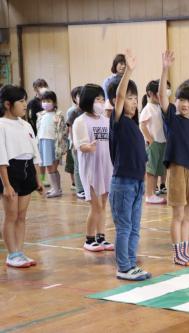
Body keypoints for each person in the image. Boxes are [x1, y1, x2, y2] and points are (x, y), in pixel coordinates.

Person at [160, 51, 189, 266]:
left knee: (188, 216)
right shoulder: (172, 119)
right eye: (181, 100)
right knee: (177, 215)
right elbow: (162, 97)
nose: (185, 104)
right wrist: (165, 69)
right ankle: (177, 254)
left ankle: (185, 252)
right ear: (175, 101)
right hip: (177, 170)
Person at [108, 50, 151, 281]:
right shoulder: (117, 122)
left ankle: (131, 263)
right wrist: (129, 72)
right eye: (129, 98)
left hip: (137, 183)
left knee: (135, 227)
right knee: (124, 228)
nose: (132, 102)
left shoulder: (134, 125)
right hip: (122, 183)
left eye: (136, 98)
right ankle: (123, 267)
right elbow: (120, 94)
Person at [0, 85, 44, 268]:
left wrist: (38, 180)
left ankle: (20, 251)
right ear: (8, 104)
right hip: (10, 171)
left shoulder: (26, 125)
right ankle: (12, 254)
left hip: (27, 170)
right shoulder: (1, 125)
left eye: (26, 100)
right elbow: (1, 156)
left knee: (21, 215)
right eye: (21, 101)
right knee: (11, 215)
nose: (25, 105)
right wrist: (6, 184)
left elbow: (35, 153)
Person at [72, 84, 114, 252]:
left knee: (103, 204)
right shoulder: (80, 121)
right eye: (98, 99)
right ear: (89, 100)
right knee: (95, 205)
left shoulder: (106, 120)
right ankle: (89, 239)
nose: (101, 103)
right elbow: (79, 145)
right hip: (90, 167)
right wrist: (88, 147)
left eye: (103, 100)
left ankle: (101, 237)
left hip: (106, 166)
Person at [140, 80, 167, 204]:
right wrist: (149, 139)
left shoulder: (159, 107)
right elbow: (142, 125)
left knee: (157, 169)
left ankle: (153, 193)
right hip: (154, 143)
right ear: (150, 93)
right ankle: (149, 194)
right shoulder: (148, 108)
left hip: (162, 142)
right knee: (151, 170)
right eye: (158, 94)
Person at [36, 90, 67, 198]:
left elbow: (63, 131)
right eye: (43, 101)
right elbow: (39, 129)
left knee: (52, 168)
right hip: (43, 142)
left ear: (54, 102)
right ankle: (56, 188)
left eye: (48, 101)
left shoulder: (58, 115)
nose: (45, 103)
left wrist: (58, 122)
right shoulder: (41, 115)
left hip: (53, 143)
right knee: (50, 167)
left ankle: (57, 189)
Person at [27, 79, 49, 187]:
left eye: (44, 86)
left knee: (46, 158)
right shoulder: (32, 103)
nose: (43, 88)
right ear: (35, 89)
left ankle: (44, 178)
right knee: (39, 159)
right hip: (37, 134)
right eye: (40, 86)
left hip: (47, 134)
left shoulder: (48, 100)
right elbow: (31, 118)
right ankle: (41, 179)